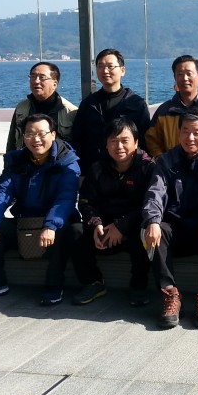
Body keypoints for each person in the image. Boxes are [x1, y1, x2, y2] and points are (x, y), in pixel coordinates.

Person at [0, 114, 84, 305]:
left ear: (53, 135)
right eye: (30, 134)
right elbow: (2, 193)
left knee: (63, 230)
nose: (36, 139)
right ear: (23, 137)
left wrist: (50, 225)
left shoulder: (67, 162)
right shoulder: (17, 161)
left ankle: (54, 285)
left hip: (54, 221)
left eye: (41, 134)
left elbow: (66, 199)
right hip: (25, 220)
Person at [141, 109, 198, 329]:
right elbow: (155, 193)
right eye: (185, 131)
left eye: (196, 132)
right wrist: (152, 221)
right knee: (155, 229)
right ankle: (170, 293)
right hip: (177, 227)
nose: (190, 137)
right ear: (179, 133)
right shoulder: (167, 160)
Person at [76, 117, 156, 306]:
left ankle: (139, 286)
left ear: (136, 142)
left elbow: (149, 205)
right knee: (74, 232)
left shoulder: (148, 168)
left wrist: (121, 227)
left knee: (143, 233)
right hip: (104, 228)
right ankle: (93, 282)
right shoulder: (97, 168)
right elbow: (86, 202)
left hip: (132, 226)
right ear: (106, 144)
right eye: (113, 141)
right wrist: (96, 224)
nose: (119, 146)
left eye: (124, 140)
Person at [70, 49, 152, 172]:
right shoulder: (88, 104)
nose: (105, 71)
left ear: (122, 70)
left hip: (129, 171)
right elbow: (77, 140)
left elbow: (145, 141)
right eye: (100, 66)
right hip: (94, 172)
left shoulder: (136, 104)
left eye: (110, 66)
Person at [146, 54, 198, 157]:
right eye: (180, 74)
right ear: (175, 77)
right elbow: (152, 140)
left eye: (189, 73)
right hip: (171, 166)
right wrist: (162, 159)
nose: (185, 78)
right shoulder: (164, 111)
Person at [6, 61, 78, 152]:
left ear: (55, 83)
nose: (36, 81)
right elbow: (12, 143)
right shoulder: (22, 108)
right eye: (33, 76)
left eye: (42, 77)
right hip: (25, 160)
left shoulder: (70, 112)